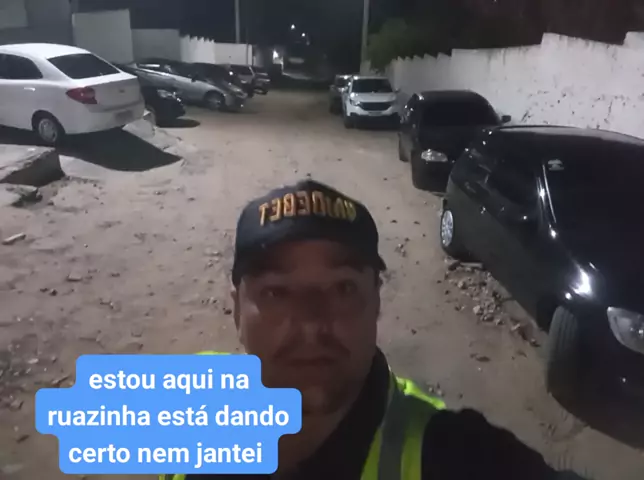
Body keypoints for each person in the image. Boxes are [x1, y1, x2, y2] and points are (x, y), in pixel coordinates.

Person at [162, 179, 589, 480]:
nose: (311, 323)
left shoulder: (452, 454)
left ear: (377, 302)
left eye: (343, 288)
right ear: (237, 309)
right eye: (276, 292)